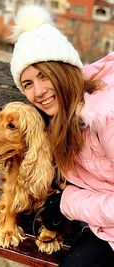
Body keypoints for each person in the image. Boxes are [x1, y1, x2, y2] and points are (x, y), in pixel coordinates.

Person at [10, 4, 114, 267]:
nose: (39, 92)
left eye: (45, 75)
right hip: (102, 228)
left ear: (64, 70)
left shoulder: (105, 114)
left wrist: (66, 203)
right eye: (28, 84)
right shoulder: (60, 118)